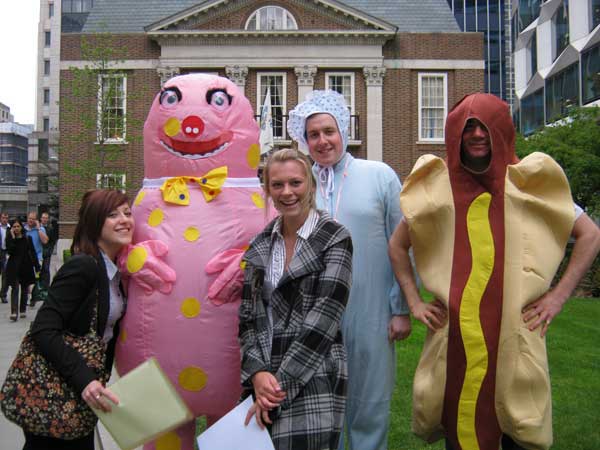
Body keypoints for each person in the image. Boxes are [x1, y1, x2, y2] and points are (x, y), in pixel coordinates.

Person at [389, 93, 600, 450]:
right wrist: (415, 302)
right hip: (457, 336)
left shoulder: (529, 183)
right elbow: (397, 245)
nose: (476, 134)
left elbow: (590, 234)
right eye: (467, 126)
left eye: (484, 126)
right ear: (455, 133)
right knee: (462, 422)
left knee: (519, 424)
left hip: (514, 333)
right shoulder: (437, 188)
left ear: (501, 130)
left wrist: (557, 298)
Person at [287, 90, 410, 450]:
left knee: (370, 403)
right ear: (304, 141)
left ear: (342, 130)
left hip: (370, 310)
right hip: (313, 316)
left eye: (329, 131)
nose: (322, 141)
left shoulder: (380, 176)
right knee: (322, 405)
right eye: (313, 135)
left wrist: (400, 307)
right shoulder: (299, 186)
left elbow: (403, 245)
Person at [240, 148, 353, 450]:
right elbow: (247, 318)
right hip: (263, 375)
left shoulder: (334, 238)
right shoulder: (260, 245)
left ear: (311, 186)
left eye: (295, 183)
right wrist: (257, 373)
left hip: (314, 371)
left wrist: (275, 391)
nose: (287, 192)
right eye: (277, 185)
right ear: (267, 190)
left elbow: (324, 320)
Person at [25, 190, 133, 450]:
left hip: (81, 397)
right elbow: (43, 329)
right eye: (112, 215)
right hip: (57, 393)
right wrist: (85, 379)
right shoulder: (84, 266)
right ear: (94, 223)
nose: (125, 220)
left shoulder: (115, 272)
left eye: (128, 213)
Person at [5, 218, 39, 321]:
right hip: (14, 267)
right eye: (14, 227)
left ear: (21, 227)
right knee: (15, 289)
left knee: (24, 290)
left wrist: (37, 266)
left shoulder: (27, 238)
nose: (16, 228)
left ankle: (23, 309)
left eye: (18, 226)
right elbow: (10, 251)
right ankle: (14, 312)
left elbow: (33, 253)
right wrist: (13, 238)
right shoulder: (10, 238)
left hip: (25, 267)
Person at [25, 211, 48, 307]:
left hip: (37, 258)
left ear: (36, 220)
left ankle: (31, 297)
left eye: (33, 219)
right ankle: (30, 297)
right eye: (30, 218)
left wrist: (38, 228)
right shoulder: (24, 229)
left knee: (34, 278)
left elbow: (45, 241)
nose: (31, 220)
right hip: (25, 258)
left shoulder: (41, 229)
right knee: (26, 279)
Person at [40, 212, 57, 289]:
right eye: (43, 218)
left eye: (46, 218)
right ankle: (39, 286)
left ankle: (46, 286)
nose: (44, 219)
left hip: (47, 252)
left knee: (46, 269)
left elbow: (53, 241)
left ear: (48, 219)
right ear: (41, 219)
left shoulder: (51, 229)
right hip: (38, 252)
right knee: (39, 269)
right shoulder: (38, 228)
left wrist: (50, 250)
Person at [0, 212, 10, 302]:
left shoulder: (10, 228)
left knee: (5, 274)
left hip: (6, 253)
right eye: (3, 217)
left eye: (6, 218)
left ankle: (3, 295)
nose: (5, 219)